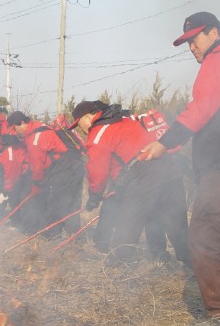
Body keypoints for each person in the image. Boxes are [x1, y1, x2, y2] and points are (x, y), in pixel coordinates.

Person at [141, 12, 220, 326]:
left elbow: (200, 108)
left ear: (214, 32)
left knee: (204, 235)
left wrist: (164, 144)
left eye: (195, 38)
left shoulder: (218, 60)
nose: (192, 47)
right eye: (187, 42)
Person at [71, 101, 190, 266]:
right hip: (169, 170)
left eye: (78, 123)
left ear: (88, 116)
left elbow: (97, 170)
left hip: (144, 176)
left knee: (127, 223)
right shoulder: (124, 120)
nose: (79, 129)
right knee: (178, 228)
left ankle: (118, 265)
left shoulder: (99, 132)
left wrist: (94, 196)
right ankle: (199, 268)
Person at [9, 111, 85, 236]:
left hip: (65, 168)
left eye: (14, 128)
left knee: (56, 203)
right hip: (76, 164)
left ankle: (51, 237)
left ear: (21, 123)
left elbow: (38, 167)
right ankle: (74, 237)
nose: (14, 132)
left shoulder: (34, 139)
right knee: (72, 204)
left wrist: (37, 185)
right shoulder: (40, 125)